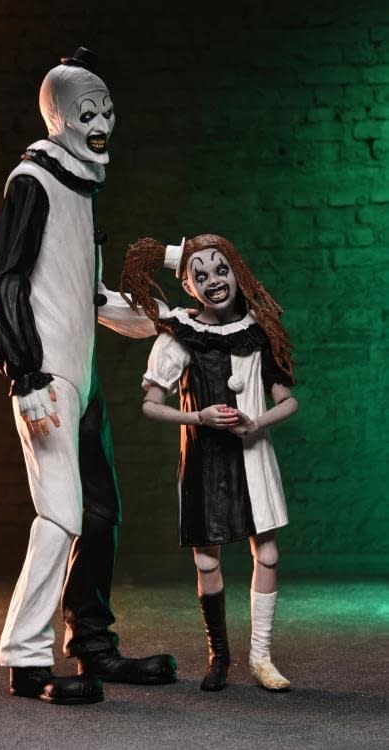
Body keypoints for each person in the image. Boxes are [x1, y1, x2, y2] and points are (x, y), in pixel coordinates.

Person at [0, 48, 176, 705]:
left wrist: (168, 321)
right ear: (58, 116)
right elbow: (5, 281)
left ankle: (92, 644)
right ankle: (26, 658)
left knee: (99, 512)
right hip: (49, 377)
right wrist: (25, 374)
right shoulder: (32, 181)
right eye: (87, 112)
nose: (101, 124)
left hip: (81, 374)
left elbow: (89, 296)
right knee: (61, 512)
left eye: (107, 111)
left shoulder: (80, 187)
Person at [120, 233, 298, 692]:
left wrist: (255, 423)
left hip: (253, 457)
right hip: (203, 460)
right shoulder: (180, 333)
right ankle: (219, 656)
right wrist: (198, 417)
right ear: (188, 286)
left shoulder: (258, 331)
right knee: (205, 561)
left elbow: (287, 401)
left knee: (268, 553)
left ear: (237, 271)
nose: (214, 280)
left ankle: (261, 657)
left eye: (221, 269)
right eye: (200, 276)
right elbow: (150, 404)